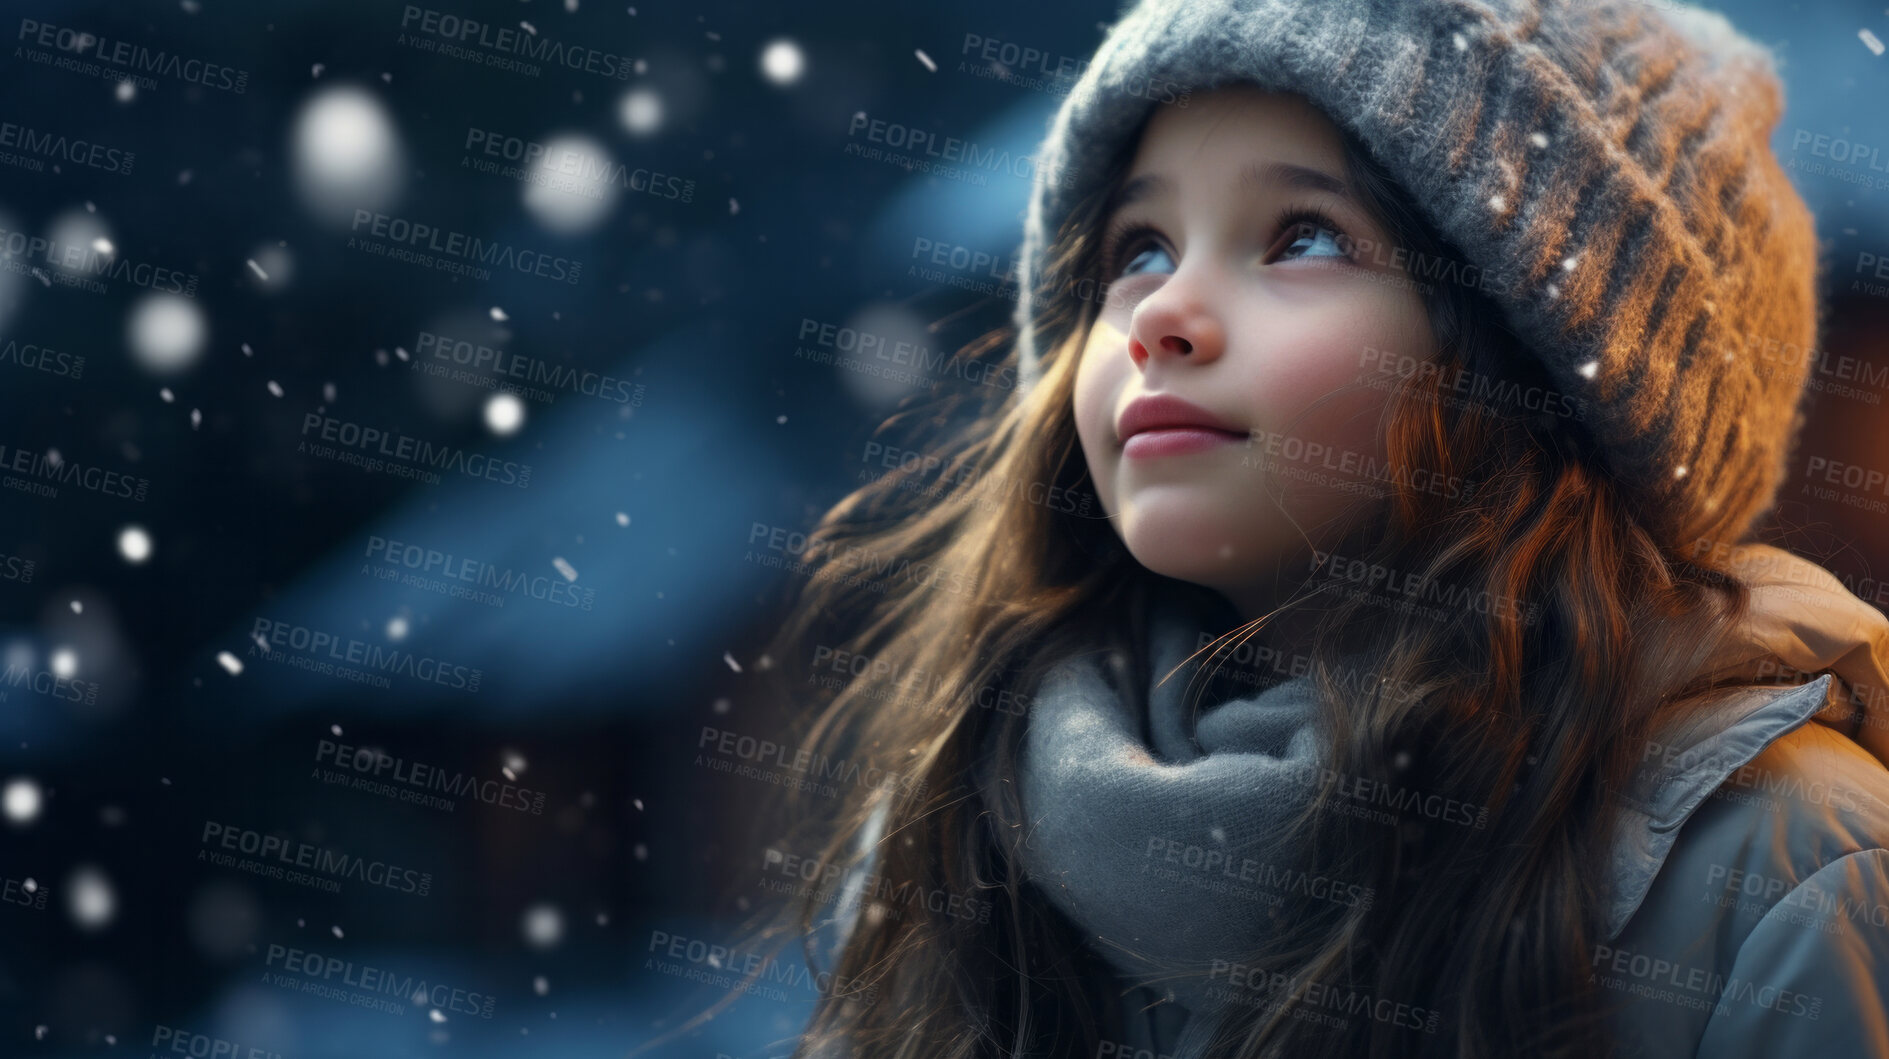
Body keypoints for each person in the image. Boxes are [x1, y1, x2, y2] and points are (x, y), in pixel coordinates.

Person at [727, 1, 1889, 1056]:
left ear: (1539, 379)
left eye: (1303, 237)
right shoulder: (964, 830)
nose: (1162, 316)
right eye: (1136, 249)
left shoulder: (1793, 875)